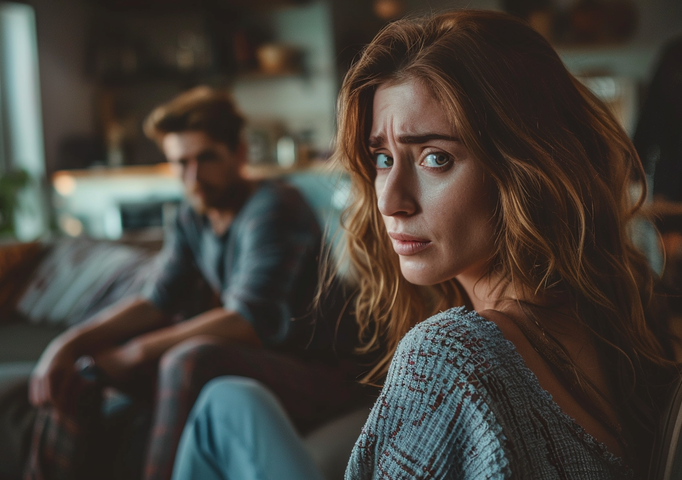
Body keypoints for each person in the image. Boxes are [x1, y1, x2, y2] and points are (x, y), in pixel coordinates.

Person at [172, 10, 680, 479]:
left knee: (224, 407)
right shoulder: (620, 316)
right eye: (382, 159)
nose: (391, 202)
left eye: (435, 158)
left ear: (527, 168)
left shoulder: (450, 354)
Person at [24, 87, 362, 480]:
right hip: (263, 366)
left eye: (206, 159)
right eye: (180, 163)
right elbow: (155, 301)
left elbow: (247, 322)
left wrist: (135, 353)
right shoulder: (192, 217)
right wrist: (67, 345)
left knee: (188, 359)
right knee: (82, 371)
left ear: (238, 154)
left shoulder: (274, 208)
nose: (193, 176)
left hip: (323, 372)